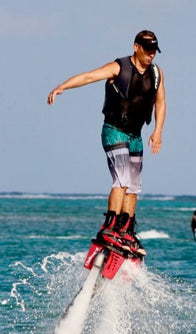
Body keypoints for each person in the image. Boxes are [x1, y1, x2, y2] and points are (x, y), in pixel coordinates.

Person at [47, 30, 166, 256]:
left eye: (154, 51)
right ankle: (110, 228)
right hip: (114, 130)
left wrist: (158, 131)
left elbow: (160, 103)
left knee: (133, 186)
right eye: (148, 50)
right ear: (136, 47)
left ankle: (126, 231)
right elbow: (88, 76)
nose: (151, 55)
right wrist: (62, 86)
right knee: (121, 179)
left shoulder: (157, 74)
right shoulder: (118, 67)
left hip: (135, 134)